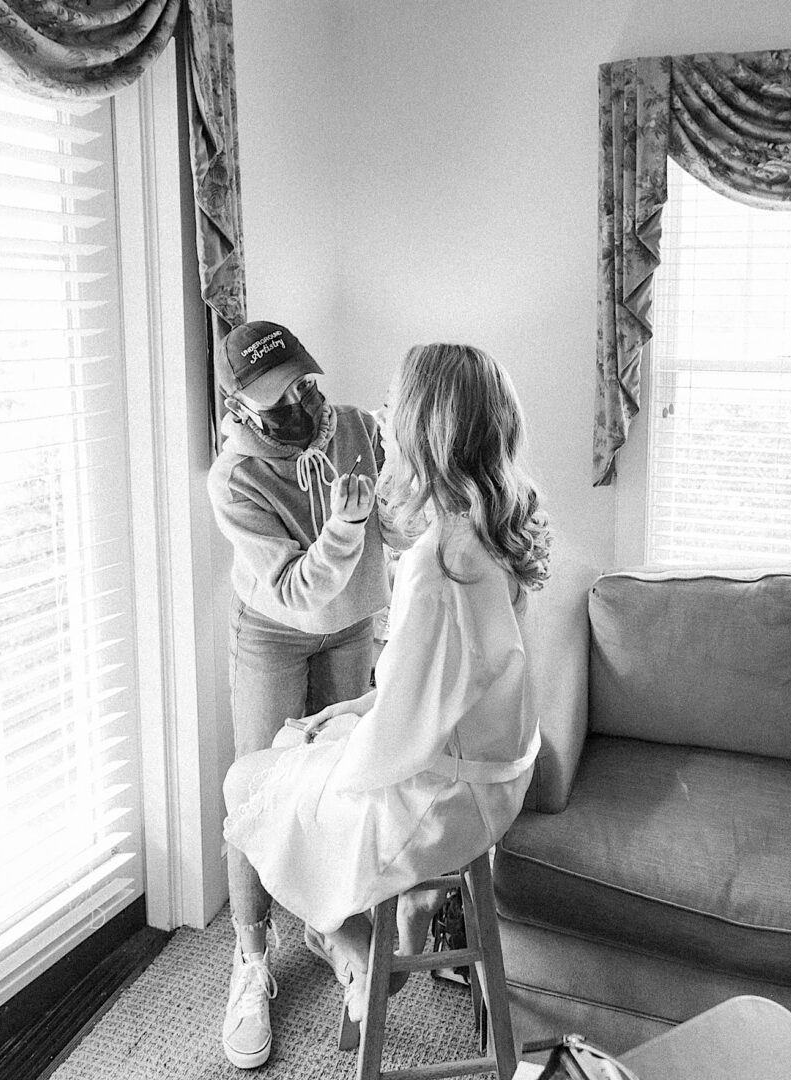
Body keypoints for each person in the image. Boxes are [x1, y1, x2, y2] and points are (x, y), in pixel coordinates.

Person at [220, 342, 551, 1062]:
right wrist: (341, 717)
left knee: (248, 780)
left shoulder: (435, 571)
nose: (379, 416)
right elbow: (425, 698)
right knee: (297, 748)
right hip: (496, 777)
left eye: (395, 405)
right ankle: (385, 918)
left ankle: (361, 947)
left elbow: (389, 748)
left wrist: (319, 742)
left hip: (444, 801)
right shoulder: (492, 527)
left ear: (422, 428)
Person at [208, 320, 407, 1069]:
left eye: (303, 383)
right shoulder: (234, 478)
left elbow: (398, 526)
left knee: (339, 784)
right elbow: (294, 589)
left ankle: (329, 925)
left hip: (352, 626)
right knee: (255, 793)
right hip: (276, 631)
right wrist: (346, 526)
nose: (300, 402)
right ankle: (251, 960)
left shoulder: (355, 426)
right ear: (241, 406)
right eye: (278, 396)